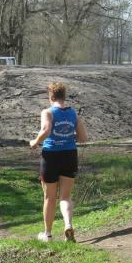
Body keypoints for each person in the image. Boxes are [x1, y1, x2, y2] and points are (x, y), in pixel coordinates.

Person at [29, 82, 88, 242]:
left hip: (51, 156)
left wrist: (35, 142)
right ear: (64, 96)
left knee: (49, 197)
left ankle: (47, 234)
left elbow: (46, 130)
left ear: (51, 97)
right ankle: (68, 224)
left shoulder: (48, 112)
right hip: (69, 155)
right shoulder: (73, 113)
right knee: (65, 197)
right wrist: (69, 136)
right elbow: (83, 138)